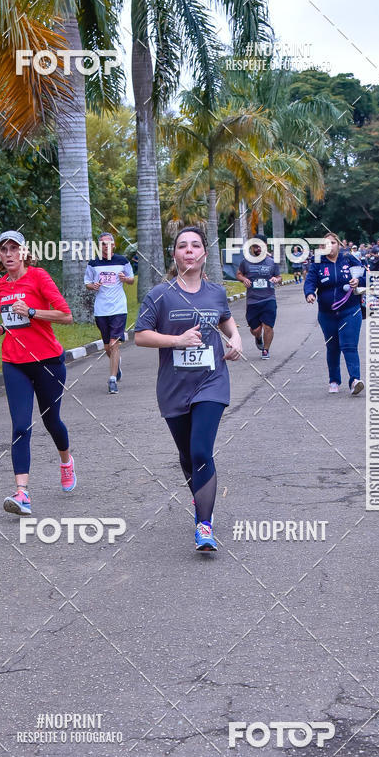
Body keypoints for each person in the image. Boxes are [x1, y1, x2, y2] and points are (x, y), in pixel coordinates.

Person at [134, 226, 242, 553]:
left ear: (204, 255)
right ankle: (201, 503)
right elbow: (140, 335)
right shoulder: (160, 295)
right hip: (173, 388)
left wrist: (235, 339)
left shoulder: (216, 292)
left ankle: (204, 526)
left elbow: (226, 319)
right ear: (175, 255)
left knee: (199, 451)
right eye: (183, 246)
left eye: (196, 245)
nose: (190, 251)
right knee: (186, 456)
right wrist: (176, 340)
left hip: (212, 382)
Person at [0, 231, 76, 516]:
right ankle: (22, 493)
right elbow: (13, 321)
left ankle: (66, 461)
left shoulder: (39, 277)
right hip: (14, 362)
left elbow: (66, 315)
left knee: (52, 421)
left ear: (24, 252)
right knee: (20, 426)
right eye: (4, 249)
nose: (9, 253)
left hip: (48, 361)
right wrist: (1, 329)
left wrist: (33, 312)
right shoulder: (0, 285)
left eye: (14, 248)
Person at [304, 232, 365, 395]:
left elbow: (364, 274)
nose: (329, 246)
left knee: (349, 346)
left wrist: (358, 280)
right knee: (332, 347)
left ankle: (354, 381)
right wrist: (309, 293)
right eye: (325, 244)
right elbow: (310, 281)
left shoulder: (348, 258)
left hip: (350, 311)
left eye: (333, 243)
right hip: (327, 314)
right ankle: (334, 380)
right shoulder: (317, 263)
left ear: (338, 244)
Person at [84, 232, 135, 394]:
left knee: (114, 343)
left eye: (107, 243)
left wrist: (124, 279)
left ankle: (112, 380)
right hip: (101, 309)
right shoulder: (93, 263)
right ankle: (116, 365)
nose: (105, 246)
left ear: (113, 245)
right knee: (107, 347)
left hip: (118, 308)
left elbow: (131, 279)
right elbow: (87, 283)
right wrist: (94, 286)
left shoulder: (122, 261)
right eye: (102, 244)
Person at [236, 234, 282, 359]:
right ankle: (258, 337)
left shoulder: (272, 262)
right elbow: (238, 274)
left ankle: (266, 350)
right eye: (255, 246)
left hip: (268, 299)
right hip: (252, 301)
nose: (258, 249)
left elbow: (279, 277)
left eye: (260, 246)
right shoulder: (246, 262)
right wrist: (243, 279)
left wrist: (276, 279)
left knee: (268, 326)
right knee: (255, 329)